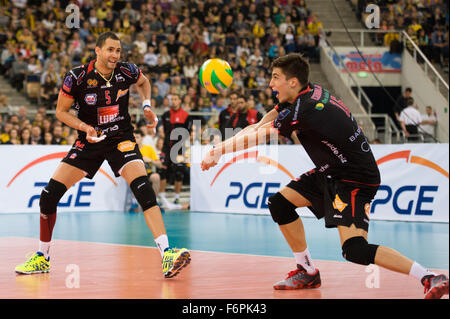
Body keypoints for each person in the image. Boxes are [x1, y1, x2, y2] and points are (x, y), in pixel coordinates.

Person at [201, 53, 449, 299]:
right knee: (280, 203)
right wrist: (219, 149)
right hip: (331, 171)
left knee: (354, 249)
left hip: (354, 179)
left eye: (275, 78)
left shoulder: (307, 108)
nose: (270, 84)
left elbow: (263, 134)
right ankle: (307, 270)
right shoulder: (303, 95)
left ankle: (428, 276)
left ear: (293, 82)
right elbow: (259, 126)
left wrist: (217, 151)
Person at [15, 32, 191, 279]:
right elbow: (61, 112)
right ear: (97, 51)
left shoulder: (126, 71)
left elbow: (144, 82)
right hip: (90, 140)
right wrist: (85, 128)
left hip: (121, 138)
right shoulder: (77, 77)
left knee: (143, 187)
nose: (115, 55)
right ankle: (42, 257)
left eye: (118, 51)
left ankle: (167, 253)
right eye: (110, 50)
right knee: (48, 196)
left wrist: (147, 106)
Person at [159, 93, 191, 205]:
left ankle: (177, 197)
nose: (173, 101)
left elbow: (188, 133)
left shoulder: (186, 115)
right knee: (162, 171)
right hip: (166, 147)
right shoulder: (165, 115)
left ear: (180, 101)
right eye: (171, 99)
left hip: (179, 149)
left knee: (179, 173)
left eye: (175, 99)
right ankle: (161, 197)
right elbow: (164, 131)